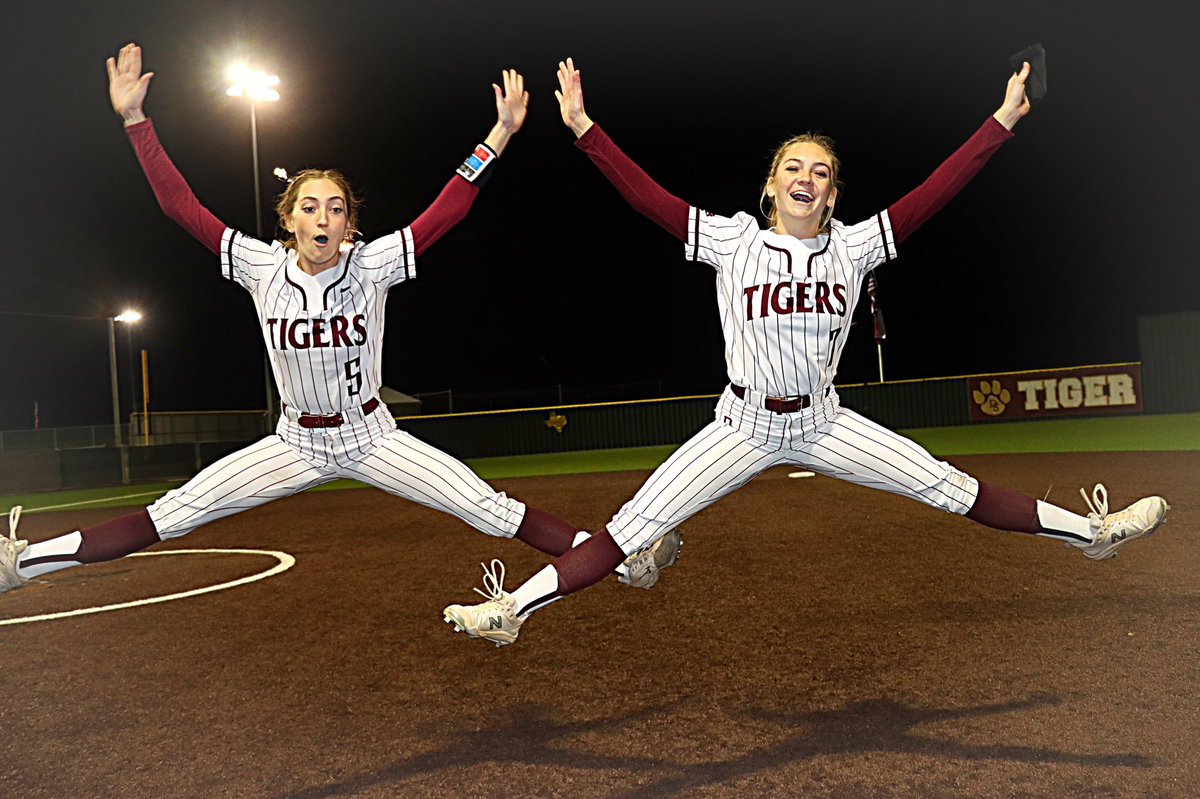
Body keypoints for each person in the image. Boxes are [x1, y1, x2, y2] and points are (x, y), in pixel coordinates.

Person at [441, 57, 1170, 647]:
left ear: (831, 195)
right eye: (794, 166)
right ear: (772, 185)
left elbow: (933, 193)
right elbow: (648, 199)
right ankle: (512, 609)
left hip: (824, 421)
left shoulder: (854, 246)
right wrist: (584, 129)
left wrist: (1001, 120)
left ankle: (1092, 533)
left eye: (821, 171)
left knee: (946, 486)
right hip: (741, 426)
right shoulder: (733, 240)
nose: (806, 177)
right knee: (632, 528)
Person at [0, 44, 681, 595]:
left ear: (350, 223)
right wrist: (135, 121)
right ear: (288, 220)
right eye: (309, 206)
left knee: (487, 507)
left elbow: (448, 207)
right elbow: (182, 207)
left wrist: (499, 134)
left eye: (335, 208)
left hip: (370, 435)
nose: (322, 216)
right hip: (293, 441)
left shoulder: (372, 264)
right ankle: (22, 562)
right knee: (175, 512)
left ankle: (626, 562)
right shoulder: (260, 266)